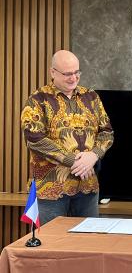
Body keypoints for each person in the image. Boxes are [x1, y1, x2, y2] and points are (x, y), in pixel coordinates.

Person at [21, 50, 114, 225]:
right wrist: (75, 161)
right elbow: (35, 139)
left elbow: (107, 132)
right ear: (52, 72)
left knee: (87, 243)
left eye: (77, 72)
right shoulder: (37, 100)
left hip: (88, 187)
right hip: (51, 189)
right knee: (50, 246)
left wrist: (93, 155)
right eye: (67, 74)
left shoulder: (91, 97)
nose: (73, 78)